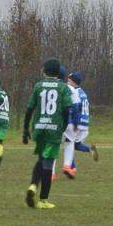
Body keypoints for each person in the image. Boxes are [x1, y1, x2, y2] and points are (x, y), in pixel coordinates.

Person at [21, 58, 73, 209]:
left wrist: (25, 129)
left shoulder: (38, 86)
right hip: (53, 128)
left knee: (40, 159)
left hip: (39, 127)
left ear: (44, 71)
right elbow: (66, 109)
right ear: (59, 72)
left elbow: (29, 108)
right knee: (48, 164)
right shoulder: (63, 87)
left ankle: (32, 185)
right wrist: (63, 125)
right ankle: (43, 200)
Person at [60, 70, 99, 178]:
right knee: (74, 144)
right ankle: (87, 152)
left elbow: (74, 108)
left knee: (69, 142)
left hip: (77, 122)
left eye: (68, 80)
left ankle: (71, 168)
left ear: (73, 81)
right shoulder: (83, 92)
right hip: (85, 123)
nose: (67, 82)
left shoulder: (73, 92)